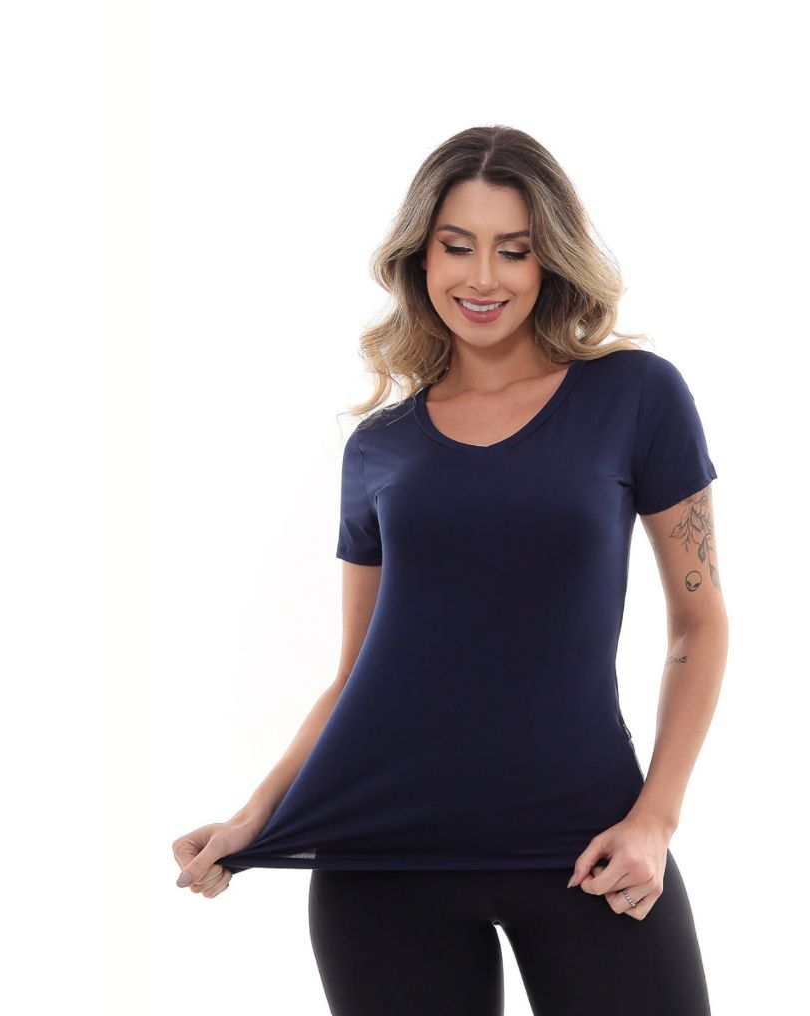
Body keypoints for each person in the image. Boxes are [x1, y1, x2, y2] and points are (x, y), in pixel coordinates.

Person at [172, 125, 727, 1016]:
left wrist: (654, 821)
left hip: (589, 848)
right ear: (420, 258)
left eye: (514, 249)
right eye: (457, 246)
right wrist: (252, 816)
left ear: (550, 259)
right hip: (383, 862)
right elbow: (355, 674)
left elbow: (698, 626)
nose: (483, 277)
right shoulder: (378, 448)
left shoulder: (636, 396)